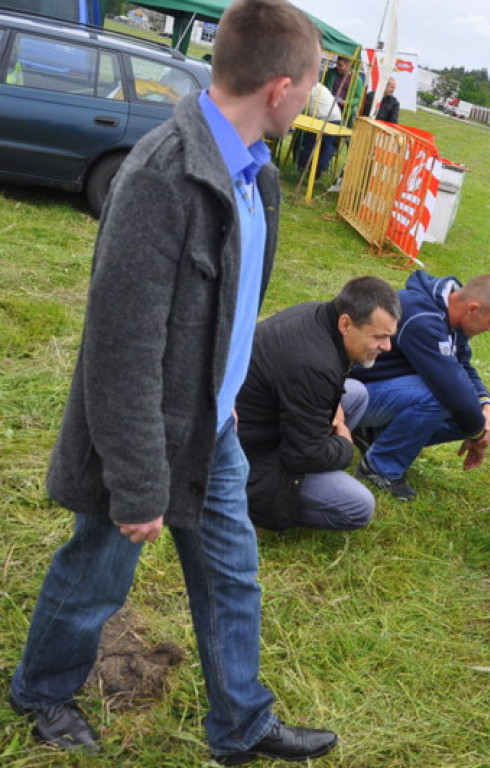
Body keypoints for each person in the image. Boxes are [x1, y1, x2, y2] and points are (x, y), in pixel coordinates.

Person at [7, 1, 339, 764]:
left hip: (212, 427)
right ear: (281, 87)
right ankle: (40, 690)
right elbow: (118, 349)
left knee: (233, 580)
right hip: (145, 437)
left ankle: (242, 724)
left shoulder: (256, 174)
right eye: (314, 86)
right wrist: (135, 484)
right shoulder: (164, 175)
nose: (313, 101)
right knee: (95, 574)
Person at [236, 277, 400, 532]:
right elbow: (302, 455)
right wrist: (344, 444)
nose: (387, 347)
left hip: (268, 421)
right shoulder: (313, 365)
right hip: (255, 455)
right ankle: (253, 512)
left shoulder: (318, 314)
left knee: (357, 395)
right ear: (346, 323)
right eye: (379, 336)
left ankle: (317, 464)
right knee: (359, 506)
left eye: (389, 337)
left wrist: (329, 406)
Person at [350, 272, 490, 501]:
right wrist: (478, 435)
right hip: (353, 396)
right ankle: (379, 468)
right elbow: (452, 389)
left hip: (381, 391)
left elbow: (462, 367)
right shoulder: (422, 319)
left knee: (470, 412)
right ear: (472, 309)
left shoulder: (452, 317)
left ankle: (378, 437)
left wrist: (486, 405)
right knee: (443, 398)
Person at [296, 74, 342, 181]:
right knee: (326, 146)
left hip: (324, 119)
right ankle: (318, 169)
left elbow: (302, 105)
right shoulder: (321, 87)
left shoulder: (310, 89)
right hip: (336, 118)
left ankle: (304, 166)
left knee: (311, 142)